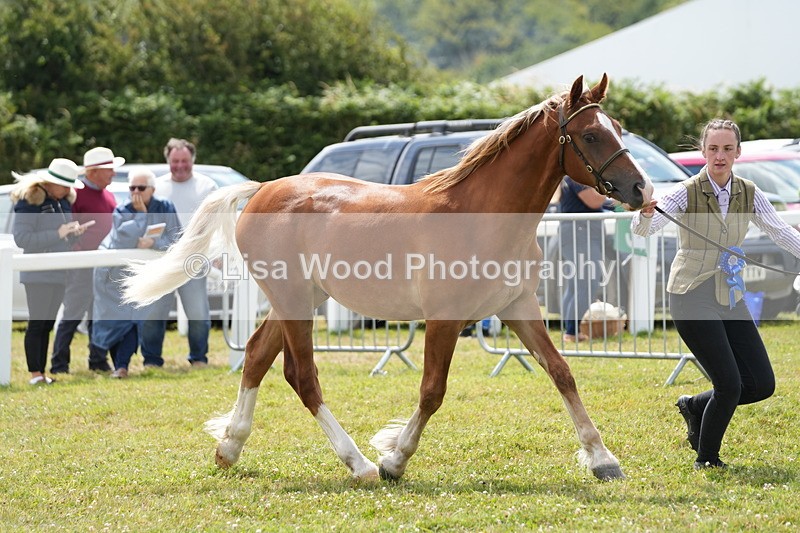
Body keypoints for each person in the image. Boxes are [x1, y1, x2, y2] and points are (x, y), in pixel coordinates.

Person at [631, 118, 800, 470]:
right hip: (691, 294)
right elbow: (645, 229)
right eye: (713, 148)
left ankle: (694, 405)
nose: (719, 156)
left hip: (729, 294)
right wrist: (644, 215)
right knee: (729, 384)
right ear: (702, 151)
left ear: (738, 152)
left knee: (760, 384)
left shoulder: (749, 192)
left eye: (727, 149)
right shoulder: (687, 190)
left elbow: (781, 232)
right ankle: (707, 459)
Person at [93, 168, 181, 378]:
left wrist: (154, 242)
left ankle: (152, 360)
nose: (136, 192)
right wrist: (141, 216)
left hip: (156, 272)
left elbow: (177, 240)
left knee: (152, 317)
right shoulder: (122, 209)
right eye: (132, 187)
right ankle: (120, 366)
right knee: (126, 320)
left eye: (141, 188)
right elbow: (120, 239)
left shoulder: (166, 207)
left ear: (153, 189)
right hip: (121, 275)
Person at [141, 138, 218, 368]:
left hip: (193, 260)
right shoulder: (156, 186)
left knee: (198, 314)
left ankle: (198, 358)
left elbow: (214, 225)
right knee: (154, 313)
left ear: (193, 160)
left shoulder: (207, 186)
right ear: (168, 161)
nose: (180, 165)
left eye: (185, 160)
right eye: (175, 161)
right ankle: (152, 360)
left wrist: (215, 253)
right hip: (160, 259)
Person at [11, 158, 88, 385]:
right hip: (37, 273)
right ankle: (35, 374)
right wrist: (59, 233)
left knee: (47, 323)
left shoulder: (63, 201)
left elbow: (62, 235)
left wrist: (75, 232)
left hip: (58, 271)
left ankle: (41, 373)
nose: (68, 190)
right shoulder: (29, 202)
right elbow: (23, 238)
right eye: (65, 185)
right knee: (38, 323)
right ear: (50, 183)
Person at [51, 147, 123, 374]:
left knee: (98, 314)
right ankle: (59, 363)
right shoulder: (75, 195)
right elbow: (64, 228)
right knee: (73, 313)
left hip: (103, 265)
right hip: (82, 265)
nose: (113, 174)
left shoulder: (109, 195)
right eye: (109, 170)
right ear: (92, 172)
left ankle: (97, 359)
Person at [558, 175, 611, 342]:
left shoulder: (574, 177)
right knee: (587, 283)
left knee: (577, 285)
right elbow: (594, 201)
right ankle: (572, 332)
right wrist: (612, 191)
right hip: (580, 232)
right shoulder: (576, 177)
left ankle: (571, 330)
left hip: (580, 232)